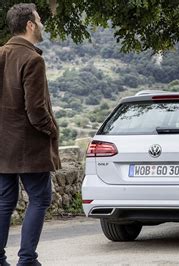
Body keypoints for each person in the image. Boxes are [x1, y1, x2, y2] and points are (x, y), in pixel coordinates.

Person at [0, 3, 60, 265]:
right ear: (30, 25)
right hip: (29, 147)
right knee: (41, 197)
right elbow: (35, 110)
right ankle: (27, 259)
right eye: (39, 19)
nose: (42, 24)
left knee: (4, 201)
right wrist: (51, 128)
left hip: (2, 146)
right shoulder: (32, 59)